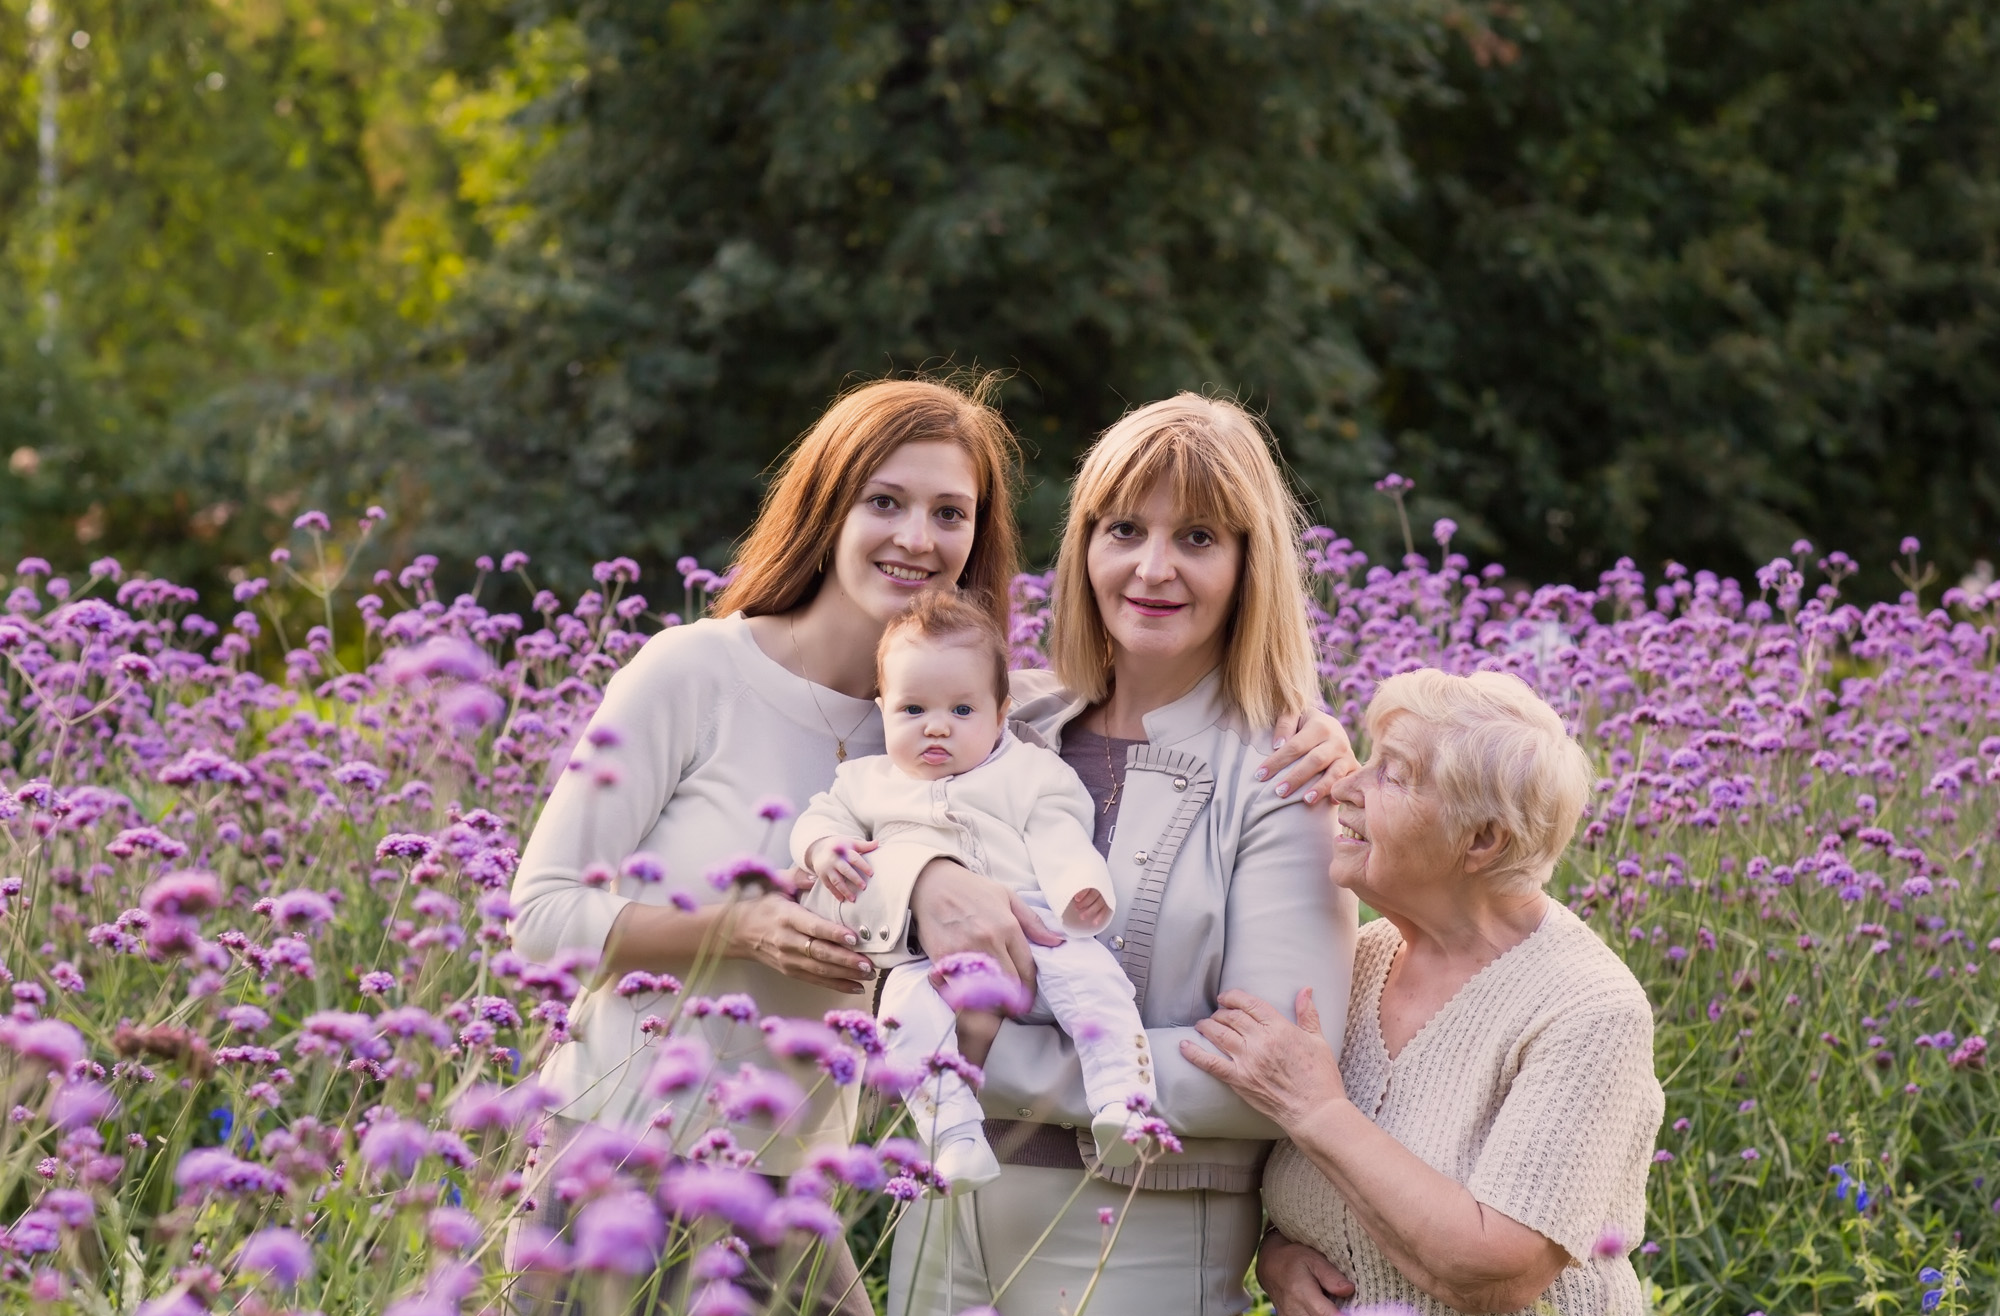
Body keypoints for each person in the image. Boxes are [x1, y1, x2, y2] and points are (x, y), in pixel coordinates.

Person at [505, 376, 1023, 1315]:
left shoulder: (945, 730)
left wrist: (1303, 734)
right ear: (827, 509)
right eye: (885, 502)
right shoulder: (695, 671)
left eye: (950, 513)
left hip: (794, 1191)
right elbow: (540, 919)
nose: (917, 537)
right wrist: (738, 929)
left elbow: (1124, 705)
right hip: (618, 1161)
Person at [886, 393, 1363, 1316]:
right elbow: (864, 886)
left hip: (1139, 1231)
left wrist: (977, 1056)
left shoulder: (1282, 776)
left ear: (1247, 563)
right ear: (1083, 547)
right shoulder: (1001, 723)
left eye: (1196, 537)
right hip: (941, 1214)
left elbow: (1270, 1082)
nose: (1152, 568)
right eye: (1122, 529)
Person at [1183, 668, 1664, 1315]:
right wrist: (1277, 1254)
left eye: (1392, 774)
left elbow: (1495, 1274)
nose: (1345, 786)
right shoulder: (1354, 963)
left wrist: (1318, 1109)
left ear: (1482, 840)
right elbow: (1346, 1200)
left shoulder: (1589, 1009)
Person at [791, 590, 1160, 1197]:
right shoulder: (866, 782)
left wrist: (1079, 889)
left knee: (1097, 983)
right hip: (926, 958)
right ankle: (954, 1134)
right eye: (912, 709)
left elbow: (1058, 830)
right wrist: (823, 848)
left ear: (1000, 712)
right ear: (882, 708)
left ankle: (1124, 1096)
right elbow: (817, 819)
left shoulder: (1027, 771)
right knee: (903, 1018)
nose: (936, 726)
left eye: (963, 710)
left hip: (1037, 930)